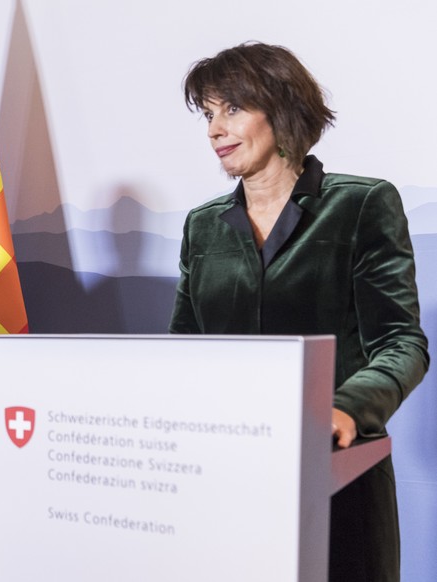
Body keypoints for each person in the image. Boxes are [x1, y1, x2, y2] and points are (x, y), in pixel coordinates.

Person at [170, 42, 429, 582]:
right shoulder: (202, 225)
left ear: (283, 111)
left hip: (338, 480)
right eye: (208, 114)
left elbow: (401, 343)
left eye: (233, 109)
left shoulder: (361, 204)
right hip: (227, 483)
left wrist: (342, 410)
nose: (215, 129)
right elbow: (184, 351)